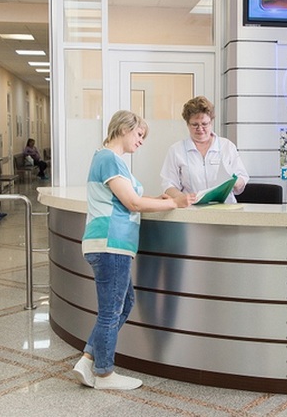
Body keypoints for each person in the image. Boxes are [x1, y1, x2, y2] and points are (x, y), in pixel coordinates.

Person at [72, 110, 195, 391]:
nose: (141, 141)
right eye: (139, 134)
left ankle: (88, 359)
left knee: (124, 304)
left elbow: (131, 197)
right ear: (124, 129)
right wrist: (173, 203)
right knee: (111, 311)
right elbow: (133, 204)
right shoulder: (109, 158)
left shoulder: (111, 160)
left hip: (113, 245)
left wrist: (159, 199)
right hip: (110, 244)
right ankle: (104, 374)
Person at [160, 96, 249, 202]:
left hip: (225, 207)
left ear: (211, 122)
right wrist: (183, 198)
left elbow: (242, 177)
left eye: (204, 124)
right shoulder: (176, 150)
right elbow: (168, 184)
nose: (200, 129)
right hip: (192, 207)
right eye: (195, 125)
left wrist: (235, 182)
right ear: (187, 124)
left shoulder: (227, 146)